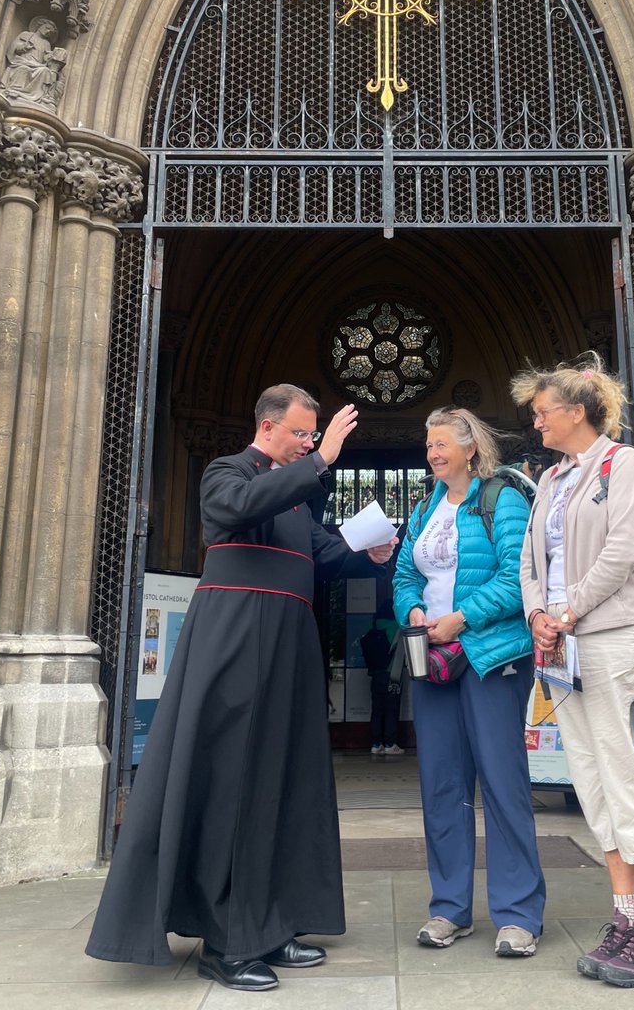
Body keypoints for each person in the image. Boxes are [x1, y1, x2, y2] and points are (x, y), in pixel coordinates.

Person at [86, 384, 397, 993]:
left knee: (283, 780)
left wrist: (374, 553)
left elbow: (323, 553)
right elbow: (234, 510)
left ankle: (270, 921)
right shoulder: (229, 473)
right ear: (267, 427)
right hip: (236, 639)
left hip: (288, 644)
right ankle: (225, 939)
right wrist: (320, 461)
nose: (310, 442)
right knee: (233, 782)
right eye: (303, 433)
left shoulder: (296, 495)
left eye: (314, 435)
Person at [510, 354, 634, 988]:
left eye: (542, 412)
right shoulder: (552, 480)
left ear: (576, 412)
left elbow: (621, 551)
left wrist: (568, 610)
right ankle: (627, 916)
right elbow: (532, 560)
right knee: (591, 777)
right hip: (561, 647)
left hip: (610, 639)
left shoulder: (623, 464)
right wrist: (538, 614)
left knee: (628, 773)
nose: (536, 423)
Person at [392, 407, 546, 959]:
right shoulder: (426, 505)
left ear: (469, 448)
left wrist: (462, 618)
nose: (432, 453)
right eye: (428, 446)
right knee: (442, 787)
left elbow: (517, 575)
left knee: (502, 783)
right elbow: (405, 572)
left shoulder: (501, 497)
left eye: (441, 445)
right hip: (432, 659)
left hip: (488, 657)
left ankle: (518, 913)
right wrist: (412, 610)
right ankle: (449, 908)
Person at [360, 611, 404, 755]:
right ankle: (390, 744)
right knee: (392, 709)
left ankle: (376, 744)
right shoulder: (397, 627)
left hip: (376, 675)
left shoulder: (374, 628)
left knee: (377, 710)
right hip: (392, 674)